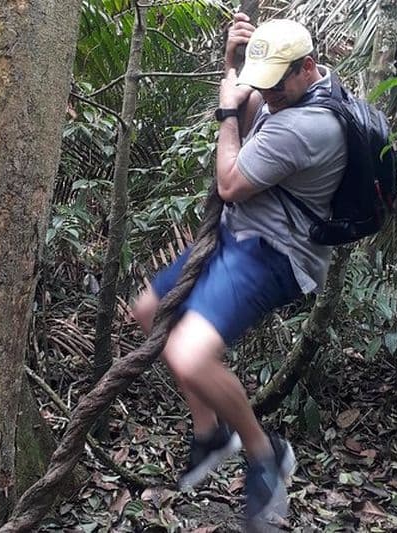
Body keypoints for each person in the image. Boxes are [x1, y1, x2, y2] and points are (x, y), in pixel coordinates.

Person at [132, 14, 347, 525]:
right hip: (237, 235)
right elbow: (248, 102)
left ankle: (262, 452)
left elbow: (229, 179)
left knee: (188, 355)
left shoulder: (312, 125)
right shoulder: (291, 91)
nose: (266, 94)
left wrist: (230, 113)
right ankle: (210, 432)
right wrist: (233, 63)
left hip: (274, 251)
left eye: (275, 84)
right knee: (148, 311)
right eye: (264, 81)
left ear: (307, 68)